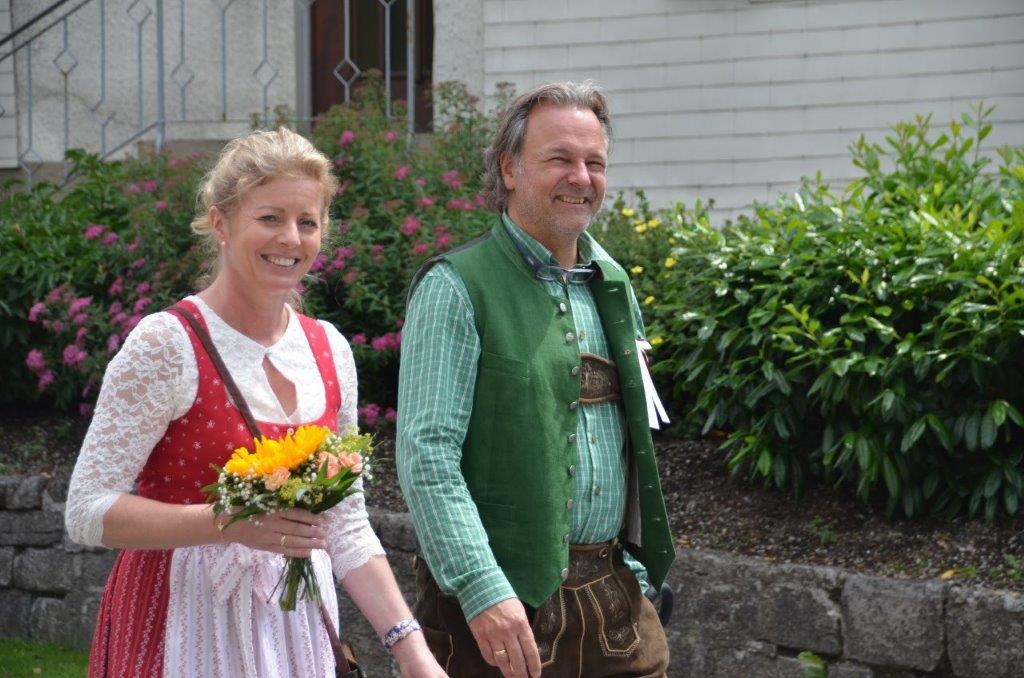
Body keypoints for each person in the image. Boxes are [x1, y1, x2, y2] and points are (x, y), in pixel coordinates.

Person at [65, 128, 446, 678]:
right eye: (270, 217)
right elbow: (86, 510)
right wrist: (224, 522)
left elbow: (345, 524)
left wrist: (412, 650)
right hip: (182, 624)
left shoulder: (330, 350)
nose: (290, 238)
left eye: (307, 222)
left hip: (295, 634)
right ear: (220, 223)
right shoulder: (168, 343)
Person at [397, 81, 675, 677]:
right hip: (499, 620)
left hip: (617, 613)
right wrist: (482, 592)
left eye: (595, 162)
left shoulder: (614, 284)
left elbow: (629, 440)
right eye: (560, 159)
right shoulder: (454, 286)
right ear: (509, 168)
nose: (581, 177)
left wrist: (639, 572)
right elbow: (427, 456)